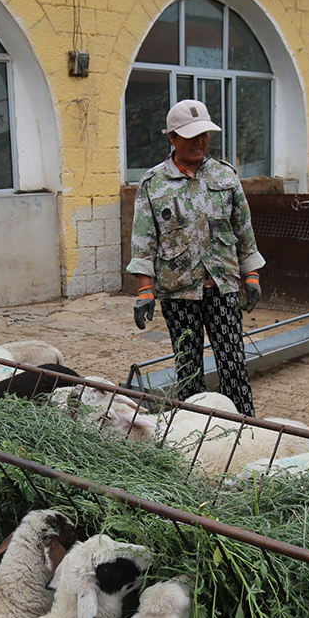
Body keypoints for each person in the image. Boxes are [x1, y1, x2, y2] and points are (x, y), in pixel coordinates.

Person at [127, 98, 265, 417]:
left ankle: (245, 426)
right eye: (191, 136)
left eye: (204, 134)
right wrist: (145, 290)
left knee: (233, 363)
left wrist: (252, 274)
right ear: (172, 138)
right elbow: (143, 241)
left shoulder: (225, 176)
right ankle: (193, 427)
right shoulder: (153, 183)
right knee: (188, 367)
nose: (199, 142)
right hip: (179, 293)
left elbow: (243, 229)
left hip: (222, 287)